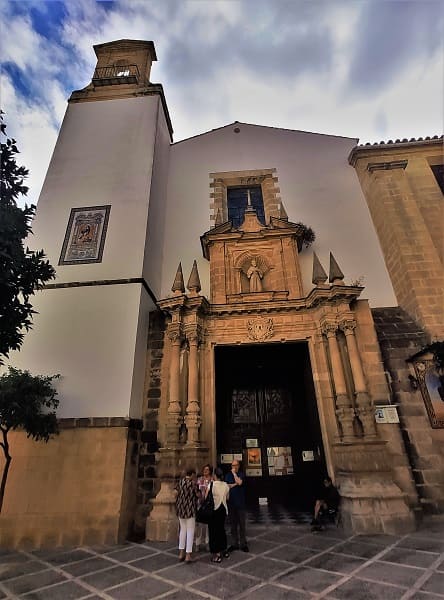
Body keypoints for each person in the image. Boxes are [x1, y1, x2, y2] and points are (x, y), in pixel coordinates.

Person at [175, 467, 199, 562]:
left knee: (182, 531)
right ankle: (188, 555)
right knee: (190, 531)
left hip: (181, 509)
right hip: (190, 510)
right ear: (192, 474)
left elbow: (175, 493)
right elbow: (198, 495)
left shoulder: (180, 482)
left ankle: (181, 553)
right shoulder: (193, 484)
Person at [225, 460, 249, 552]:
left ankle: (243, 544)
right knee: (233, 525)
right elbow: (227, 486)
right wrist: (234, 484)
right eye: (232, 465)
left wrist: (235, 476)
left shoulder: (241, 474)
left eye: (235, 465)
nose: (234, 467)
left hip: (241, 503)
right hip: (231, 503)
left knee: (242, 525)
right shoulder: (227, 475)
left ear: (239, 466)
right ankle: (235, 543)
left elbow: (240, 482)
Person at [208, 467, 230, 563]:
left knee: (213, 532)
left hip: (214, 510)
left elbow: (206, 497)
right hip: (223, 509)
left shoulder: (211, 485)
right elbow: (227, 498)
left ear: (215, 475)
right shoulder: (225, 485)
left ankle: (216, 554)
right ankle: (224, 550)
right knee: (221, 530)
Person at [195, 464, 213, 551]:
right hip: (200, 505)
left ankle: (207, 543)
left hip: (208, 505)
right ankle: (197, 543)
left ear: (210, 471)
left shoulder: (212, 480)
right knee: (199, 525)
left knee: (207, 526)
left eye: (207, 470)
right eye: (204, 469)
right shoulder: (199, 480)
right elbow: (196, 490)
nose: (205, 471)